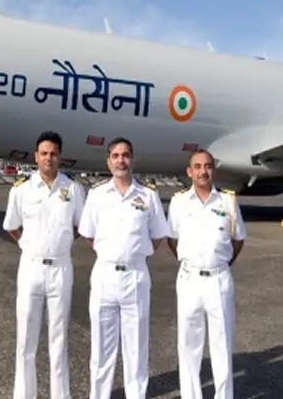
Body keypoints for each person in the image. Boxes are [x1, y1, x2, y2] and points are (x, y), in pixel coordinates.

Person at [77, 136, 171, 399]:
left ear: (133, 159)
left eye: (126, 155)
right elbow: (88, 235)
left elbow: (157, 235)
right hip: (105, 275)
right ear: (108, 161)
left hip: (136, 276)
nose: (121, 160)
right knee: (101, 349)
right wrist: (112, 253)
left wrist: (135, 254)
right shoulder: (96, 194)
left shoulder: (148, 195)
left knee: (136, 349)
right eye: (116, 155)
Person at [2, 130, 86, 399]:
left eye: (53, 153)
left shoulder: (73, 189)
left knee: (59, 339)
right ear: (36, 157)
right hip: (31, 267)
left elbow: (79, 227)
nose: (48, 158)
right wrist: (30, 245)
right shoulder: (22, 190)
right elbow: (13, 227)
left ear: (60, 157)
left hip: (61, 268)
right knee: (26, 339)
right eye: (44, 153)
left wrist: (59, 244)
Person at [166, 149, 246, 399]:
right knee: (189, 346)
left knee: (222, 346)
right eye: (197, 166)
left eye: (208, 166)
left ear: (214, 170)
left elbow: (238, 240)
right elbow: (172, 240)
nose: (203, 171)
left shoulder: (228, 201)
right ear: (189, 172)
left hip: (219, 280)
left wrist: (220, 262)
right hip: (189, 280)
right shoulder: (178, 202)